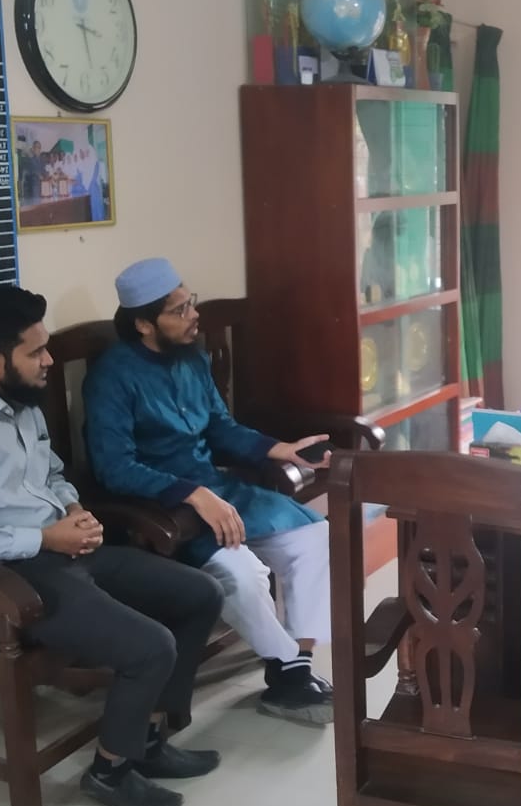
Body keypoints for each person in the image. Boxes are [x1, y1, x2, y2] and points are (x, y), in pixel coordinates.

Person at [0, 285, 224, 806]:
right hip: (0, 581)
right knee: (151, 647)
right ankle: (109, 771)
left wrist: (73, 508)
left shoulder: (21, 404)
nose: (49, 360)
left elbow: (50, 473)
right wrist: (44, 539)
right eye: (36, 352)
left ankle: (146, 741)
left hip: (61, 551)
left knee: (200, 595)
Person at [83, 258, 336, 725]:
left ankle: (295, 664)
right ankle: (286, 669)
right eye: (179, 310)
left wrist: (281, 449)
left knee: (314, 537)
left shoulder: (192, 358)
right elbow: (114, 467)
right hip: (164, 511)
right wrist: (193, 494)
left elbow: (220, 427)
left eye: (190, 302)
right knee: (244, 574)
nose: (193, 315)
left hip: (218, 491)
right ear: (143, 324)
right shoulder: (111, 377)